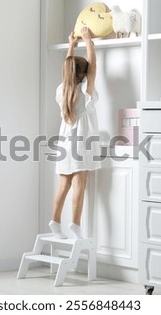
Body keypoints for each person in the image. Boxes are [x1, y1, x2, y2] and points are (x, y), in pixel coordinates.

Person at [49, 26, 101, 240]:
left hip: (65, 143)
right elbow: (93, 68)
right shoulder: (85, 95)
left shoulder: (62, 92)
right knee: (79, 184)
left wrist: (71, 45)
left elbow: (68, 68)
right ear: (83, 76)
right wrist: (88, 41)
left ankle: (55, 220)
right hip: (82, 144)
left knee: (63, 184)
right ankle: (75, 224)